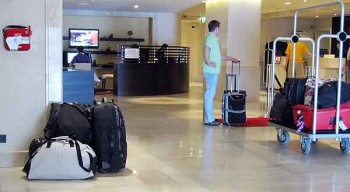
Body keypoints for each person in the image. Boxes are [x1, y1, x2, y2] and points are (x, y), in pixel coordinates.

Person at [203, 20, 239, 126]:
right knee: (210, 95)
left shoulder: (213, 39)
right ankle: (209, 119)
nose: (219, 30)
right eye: (219, 28)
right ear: (216, 28)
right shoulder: (211, 39)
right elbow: (206, 50)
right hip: (211, 71)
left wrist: (231, 58)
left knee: (210, 94)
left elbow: (219, 56)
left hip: (212, 71)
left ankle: (209, 118)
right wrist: (209, 63)